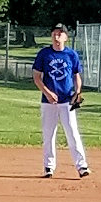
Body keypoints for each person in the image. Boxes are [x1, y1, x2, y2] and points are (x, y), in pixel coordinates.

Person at [31, 24, 90, 178]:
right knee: (48, 134)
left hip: (67, 100)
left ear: (65, 37)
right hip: (48, 101)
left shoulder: (71, 55)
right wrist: (48, 93)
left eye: (60, 34)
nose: (57, 37)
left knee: (72, 132)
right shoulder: (44, 54)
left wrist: (77, 92)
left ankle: (82, 166)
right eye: (55, 34)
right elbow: (36, 77)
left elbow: (76, 75)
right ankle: (48, 167)